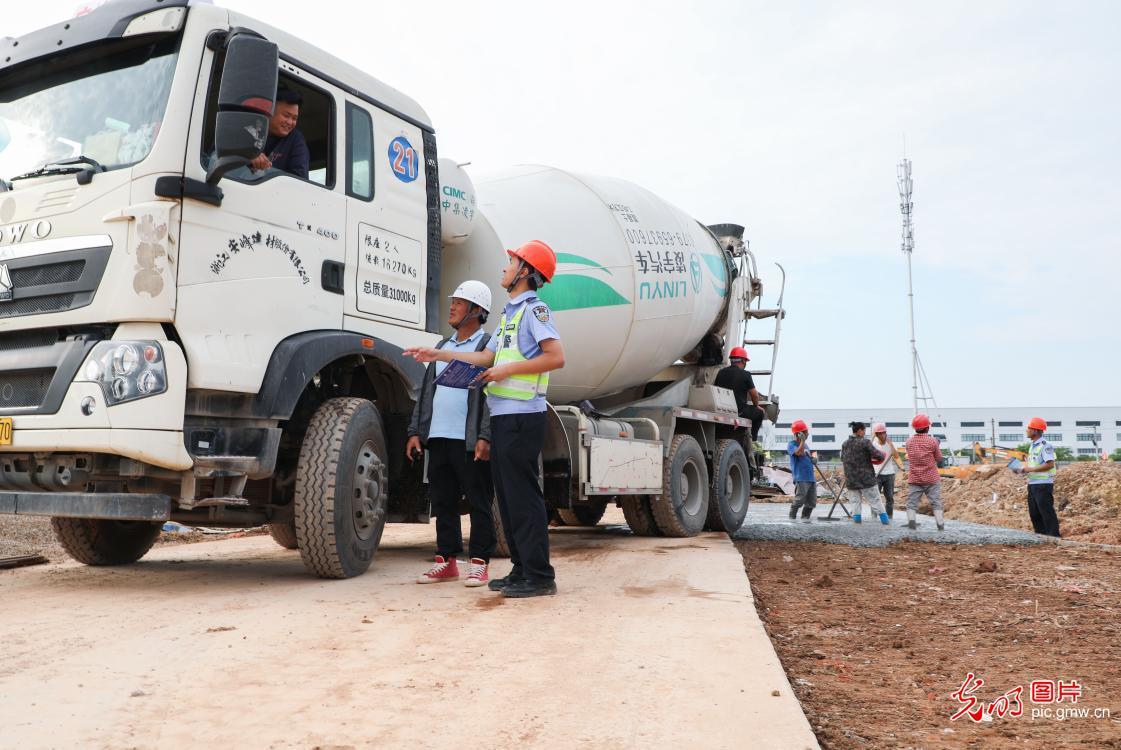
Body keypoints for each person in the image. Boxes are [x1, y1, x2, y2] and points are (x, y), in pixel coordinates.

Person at [405, 240, 565, 599]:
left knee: (524, 498)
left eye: (511, 262)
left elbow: (556, 357)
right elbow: (485, 357)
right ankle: (521, 570)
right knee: (507, 500)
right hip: (505, 415)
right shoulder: (510, 314)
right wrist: (438, 353)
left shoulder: (535, 311)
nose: (504, 268)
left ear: (525, 272)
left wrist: (507, 369)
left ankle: (539, 575)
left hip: (524, 416)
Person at [407, 280, 496, 586]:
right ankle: (446, 562)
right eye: (453, 301)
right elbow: (426, 394)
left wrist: (485, 436)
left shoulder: (486, 347)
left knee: (478, 501)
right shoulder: (442, 347)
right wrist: (416, 431)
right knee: (443, 502)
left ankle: (480, 562)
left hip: (469, 441)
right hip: (439, 437)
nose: (453, 306)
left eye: (460, 302)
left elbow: (491, 397)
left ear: (477, 310)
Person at [1013, 417, 1059, 537]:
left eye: (1029, 428)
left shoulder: (1045, 445)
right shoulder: (1032, 446)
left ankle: (1053, 536)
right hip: (1033, 484)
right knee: (1034, 513)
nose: (1027, 430)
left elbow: (1050, 464)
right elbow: (1034, 464)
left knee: (1046, 511)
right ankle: (1041, 535)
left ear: (1035, 430)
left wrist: (1030, 469)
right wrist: (1022, 470)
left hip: (1043, 484)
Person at [249, 88, 309, 179]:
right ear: (269, 111)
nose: (290, 122)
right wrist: (247, 155)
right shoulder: (249, 129)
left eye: (294, 118)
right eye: (286, 116)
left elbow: (300, 178)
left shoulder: (296, 138)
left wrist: (265, 170)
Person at [840, 421, 889, 525]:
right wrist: (882, 454)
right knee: (876, 501)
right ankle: (886, 525)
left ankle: (857, 526)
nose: (864, 433)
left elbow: (842, 458)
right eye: (864, 430)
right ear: (860, 430)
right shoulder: (865, 442)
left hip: (851, 480)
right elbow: (878, 456)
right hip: (866, 479)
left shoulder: (845, 444)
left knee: (855, 504)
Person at [713, 346, 766, 441]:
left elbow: (716, 389)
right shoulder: (746, 374)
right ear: (743, 361)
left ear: (731, 360)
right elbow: (754, 395)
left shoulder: (721, 373)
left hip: (722, 410)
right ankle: (753, 439)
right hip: (739, 412)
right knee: (760, 412)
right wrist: (756, 405)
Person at [904, 414, 945, 531]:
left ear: (915, 428)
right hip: (931, 478)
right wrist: (936, 444)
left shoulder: (909, 442)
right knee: (936, 502)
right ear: (927, 428)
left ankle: (911, 524)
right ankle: (940, 525)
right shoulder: (932, 442)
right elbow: (939, 458)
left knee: (912, 503)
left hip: (915, 478)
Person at [786, 419, 815, 522]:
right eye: (805, 432)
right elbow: (798, 453)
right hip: (801, 477)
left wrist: (813, 459)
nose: (808, 433)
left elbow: (806, 456)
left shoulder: (806, 445)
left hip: (810, 477)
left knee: (812, 502)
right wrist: (802, 441)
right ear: (799, 434)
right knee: (799, 500)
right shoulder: (791, 444)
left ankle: (805, 519)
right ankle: (792, 518)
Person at [870, 423, 900, 518]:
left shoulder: (890, 444)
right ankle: (873, 518)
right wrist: (872, 437)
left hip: (889, 475)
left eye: (884, 433)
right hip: (876, 474)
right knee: (875, 498)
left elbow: (896, 456)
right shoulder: (873, 444)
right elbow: (866, 450)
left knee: (890, 498)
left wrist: (890, 444)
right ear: (876, 435)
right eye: (880, 433)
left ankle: (889, 517)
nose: (882, 435)